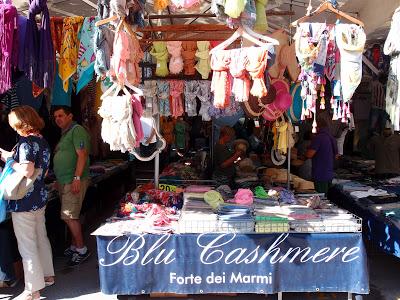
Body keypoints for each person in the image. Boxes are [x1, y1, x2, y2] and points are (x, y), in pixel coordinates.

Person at [0, 106, 54, 300]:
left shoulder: (25, 143)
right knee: (41, 237)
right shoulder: (42, 141)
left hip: (24, 201)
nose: (13, 128)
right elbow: (43, 171)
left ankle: (33, 290)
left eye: (14, 124)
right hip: (39, 197)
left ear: (20, 123)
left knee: (27, 245)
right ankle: (47, 276)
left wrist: (8, 160)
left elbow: (27, 170)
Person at [53, 106, 91, 266]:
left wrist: (76, 177)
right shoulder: (65, 134)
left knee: (69, 216)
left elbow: (82, 155)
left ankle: (82, 250)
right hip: (64, 181)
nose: (57, 119)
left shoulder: (77, 130)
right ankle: (75, 246)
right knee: (70, 216)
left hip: (73, 180)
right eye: (55, 117)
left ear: (70, 116)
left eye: (61, 115)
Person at [306, 114, 338, 195]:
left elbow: (309, 155)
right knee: (326, 198)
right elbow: (336, 155)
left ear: (316, 127)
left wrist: (307, 149)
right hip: (329, 173)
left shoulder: (319, 138)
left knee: (320, 198)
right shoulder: (331, 137)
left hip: (320, 174)